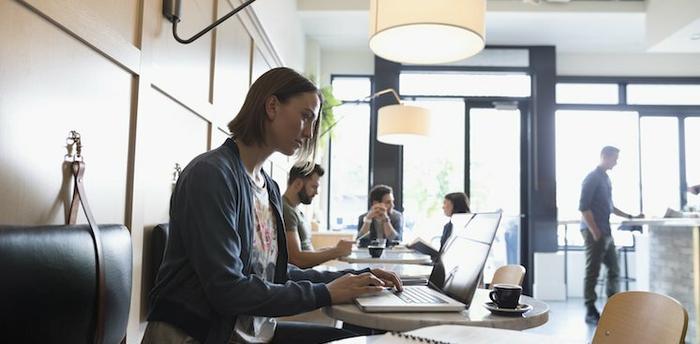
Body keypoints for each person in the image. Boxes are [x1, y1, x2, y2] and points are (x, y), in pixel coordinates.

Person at [143, 67, 402, 344]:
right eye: (305, 117)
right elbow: (227, 290)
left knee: (353, 338)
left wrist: (355, 276)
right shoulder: (211, 175)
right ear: (272, 106)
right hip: (202, 334)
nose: (310, 132)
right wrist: (326, 293)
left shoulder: (269, 187)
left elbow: (274, 274)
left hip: (253, 333)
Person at [579, 146, 643, 325]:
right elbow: (583, 206)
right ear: (605, 157)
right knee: (593, 271)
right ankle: (590, 309)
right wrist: (594, 230)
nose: (616, 162)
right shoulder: (592, 178)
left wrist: (631, 217)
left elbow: (610, 207)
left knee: (614, 269)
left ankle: (612, 307)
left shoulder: (605, 179)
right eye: (614, 158)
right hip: (594, 232)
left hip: (605, 231)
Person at [283, 163, 353, 268]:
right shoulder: (286, 210)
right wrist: (336, 251)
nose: (316, 192)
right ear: (298, 184)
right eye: (314, 187)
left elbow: (307, 251)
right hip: (299, 279)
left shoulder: (296, 211)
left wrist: (334, 250)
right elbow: (296, 259)